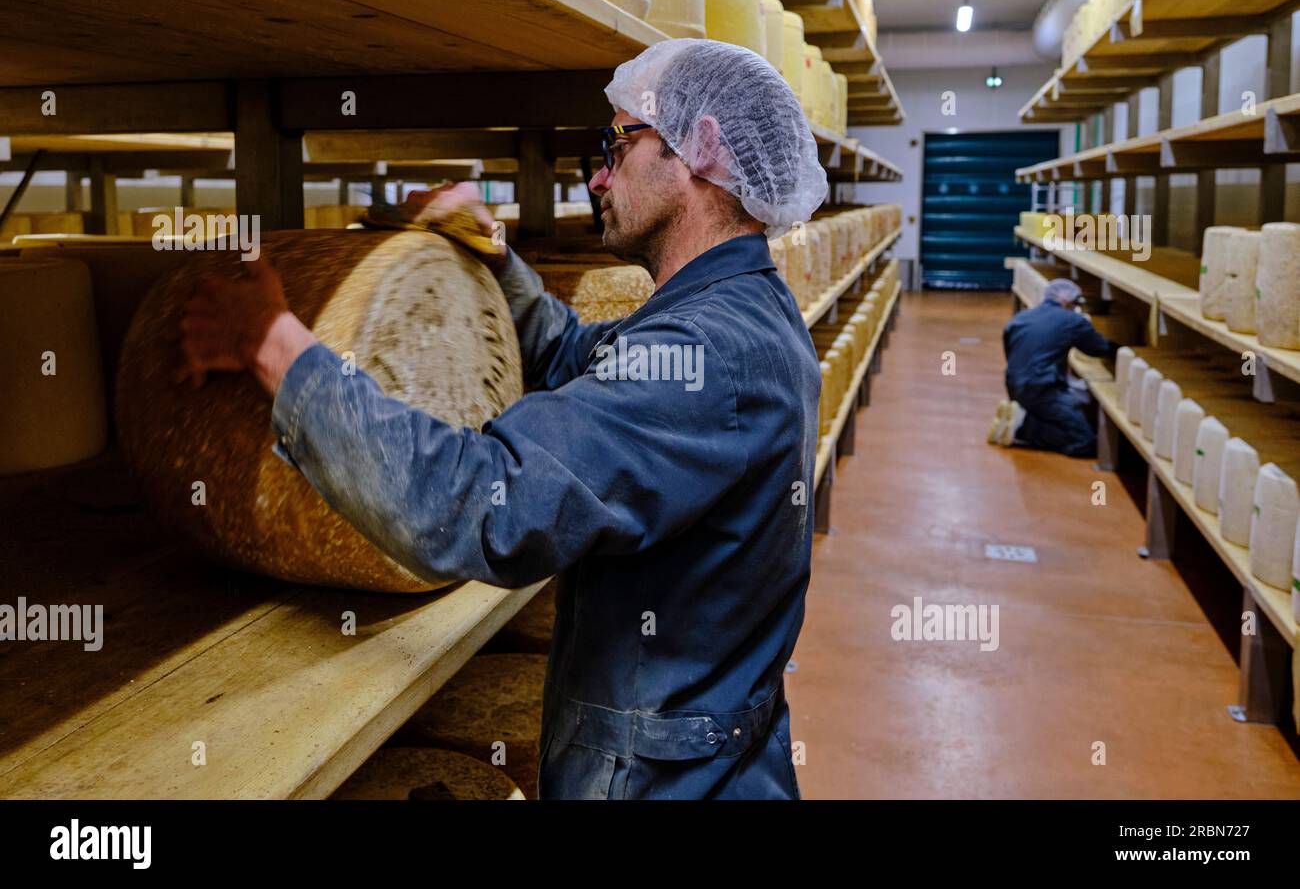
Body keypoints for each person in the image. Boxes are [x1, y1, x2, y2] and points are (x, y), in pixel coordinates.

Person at [176, 39, 828, 799]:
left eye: (617, 143)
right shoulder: (740, 314)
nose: (596, 176)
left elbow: (473, 502)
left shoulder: (711, 351)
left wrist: (275, 345)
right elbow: (588, 365)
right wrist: (496, 258)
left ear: (702, 149)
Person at [989, 278, 1117, 457]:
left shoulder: (1020, 318)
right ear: (1067, 301)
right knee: (1085, 441)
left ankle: (1020, 415)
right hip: (1043, 389)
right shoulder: (1073, 320)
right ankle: (1023, 426)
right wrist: (1122, 350)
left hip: (1014, 385)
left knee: (1059, 414)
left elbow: (1011, 353)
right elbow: (1098, 348)